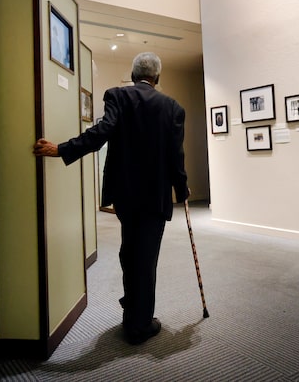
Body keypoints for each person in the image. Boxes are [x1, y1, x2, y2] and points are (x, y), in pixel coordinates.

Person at [33, 52, 190, 345]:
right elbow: (175, 156)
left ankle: (134, 311)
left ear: (133, 75)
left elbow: (102, 131)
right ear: (157, 78)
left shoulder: (117, 96)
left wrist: (62, 149)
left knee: (129, 253)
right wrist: (181, 190)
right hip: (155, 197)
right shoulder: (173, 108)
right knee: (144, 259)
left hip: (126, 195)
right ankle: (140, 325)